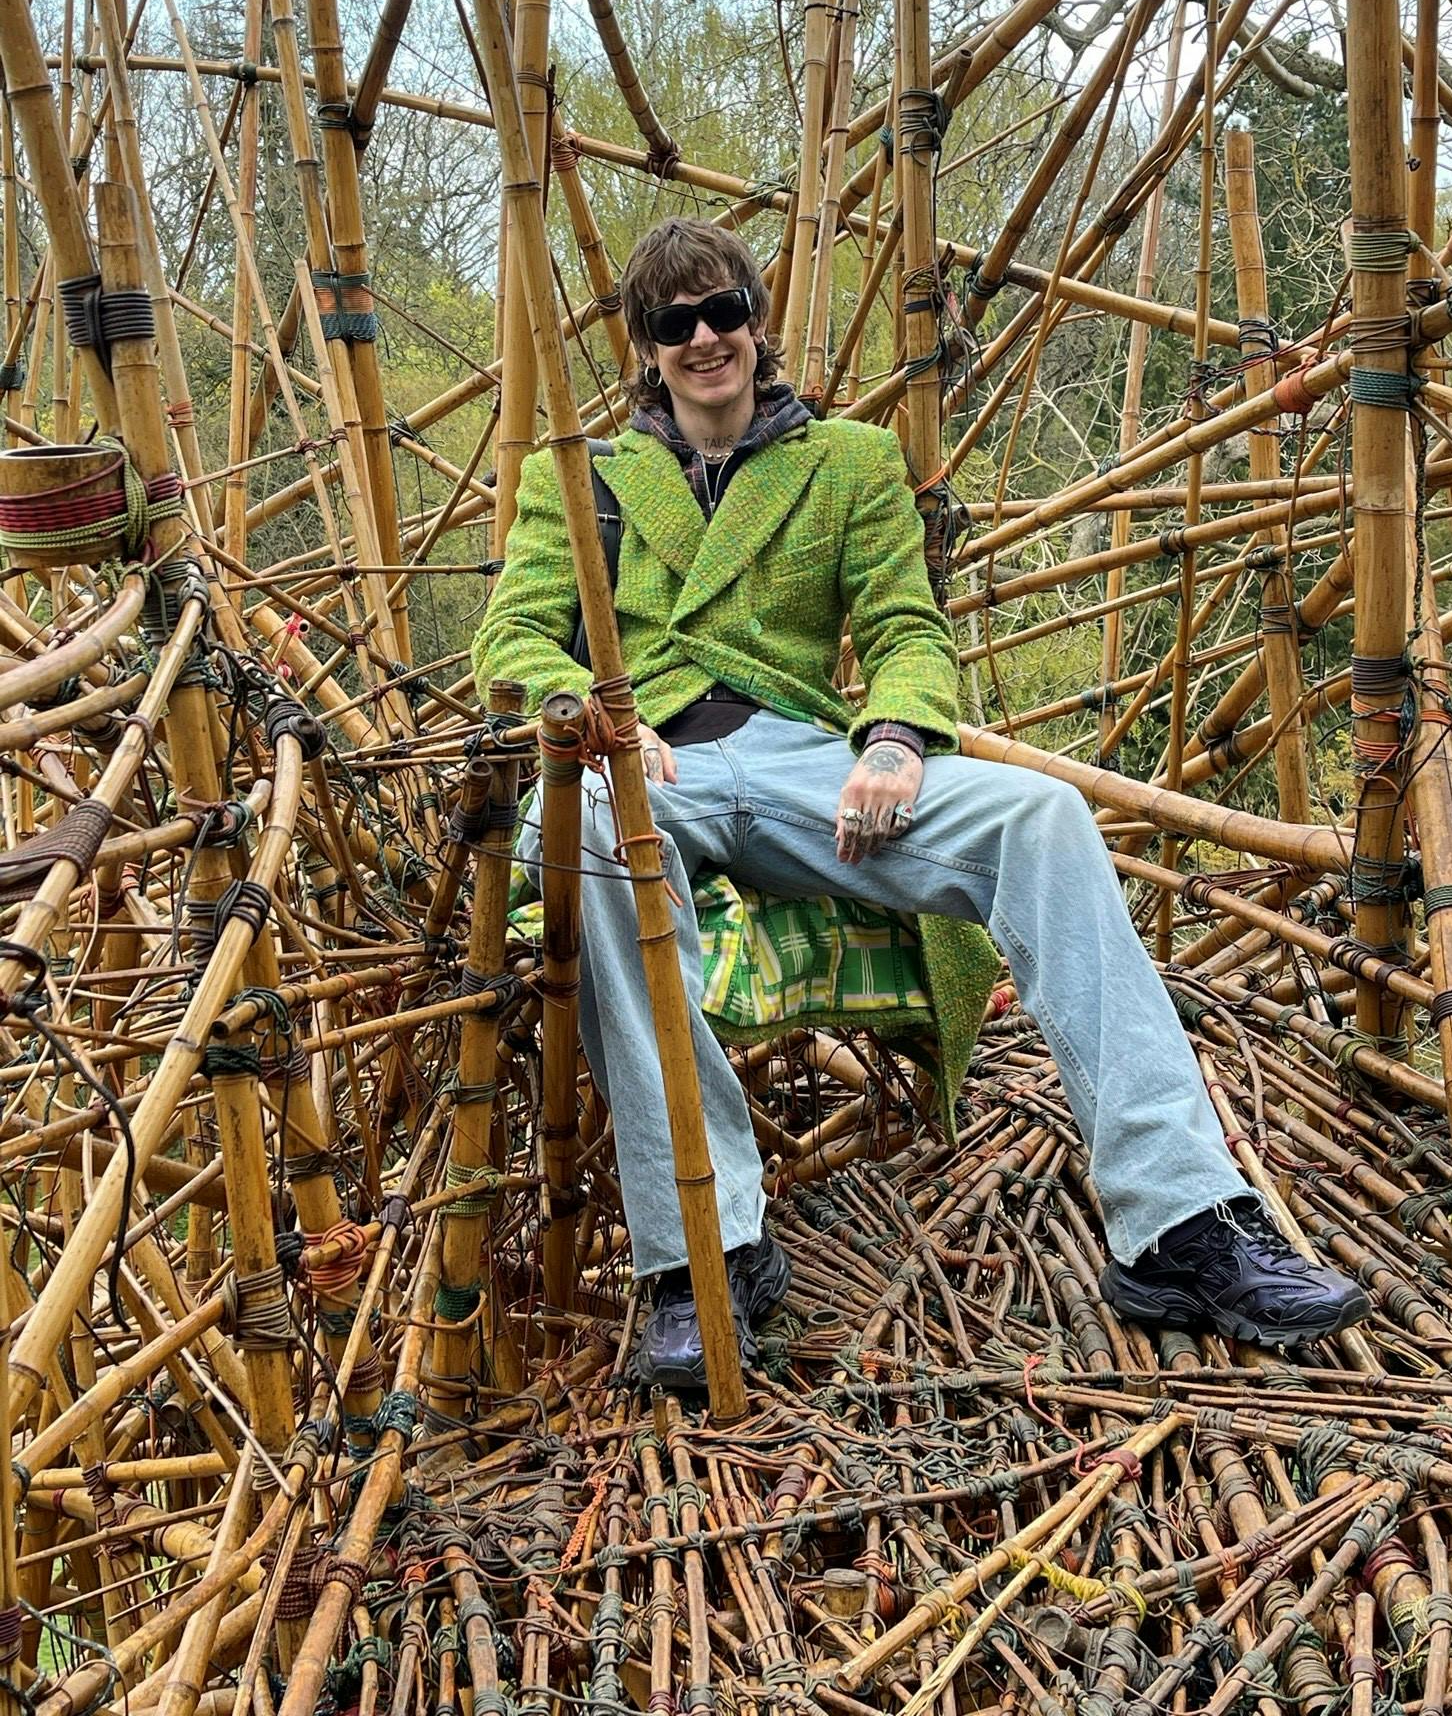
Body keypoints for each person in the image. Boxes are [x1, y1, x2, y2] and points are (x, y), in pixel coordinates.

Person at [473, 217, 1368, 1388]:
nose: (706, 339)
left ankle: (1178, 1219)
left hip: (798, 755)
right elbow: (513, 638)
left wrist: (893, 740)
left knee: (1039, 817)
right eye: (675, 323)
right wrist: (589, 717)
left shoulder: (847, 458)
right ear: (645, 348)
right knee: (582, 842)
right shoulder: (574, 477)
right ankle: (706, 1247)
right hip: (647, 768)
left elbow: (903, 626)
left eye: (724, 312)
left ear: (757, 322)